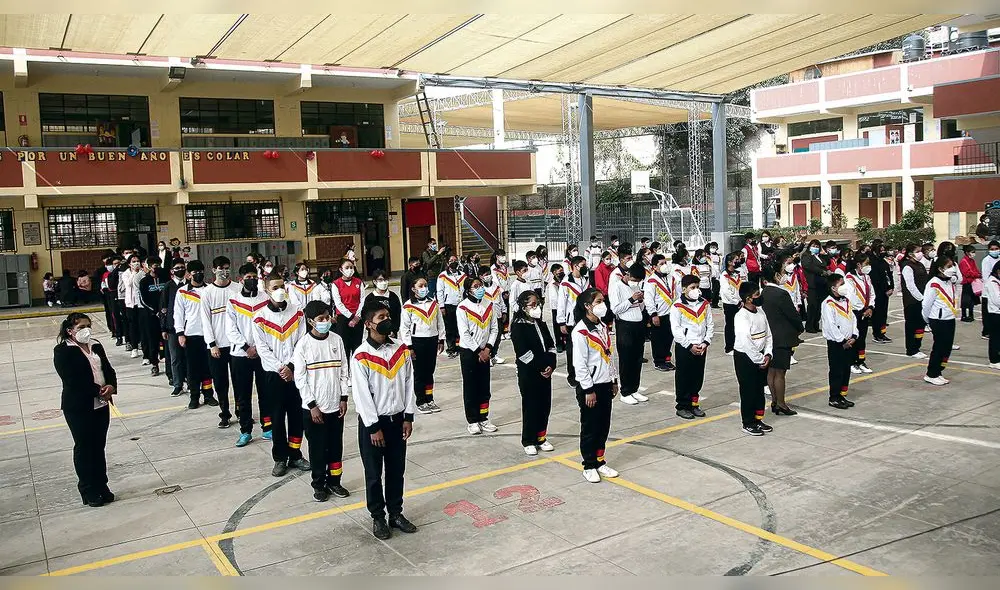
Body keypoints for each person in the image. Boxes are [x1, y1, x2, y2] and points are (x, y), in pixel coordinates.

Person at [351, 299, 418, 540]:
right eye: (380, 318)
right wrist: (373, 427)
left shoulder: (400, 349)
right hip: (374, 426)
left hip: (397, 421)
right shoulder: (361, 356)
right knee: (373, 473)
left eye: (387, 316)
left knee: (396, 470)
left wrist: (408, 416)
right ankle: (378, 517)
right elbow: (361, 396)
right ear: (368, 324)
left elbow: (410, 383)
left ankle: (396, 513)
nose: (386, 321)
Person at [53, 312, 117, 507]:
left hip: (101, 404)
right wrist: (99, 391)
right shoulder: (63, 351)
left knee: (99, 446)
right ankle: (88, 489)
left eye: (88, 326)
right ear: (70, 331)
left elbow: (108, 369)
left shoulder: (95, 345)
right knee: (84, 447)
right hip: (79, 406)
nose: (86, 330)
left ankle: (101, 485)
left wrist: (111, 386)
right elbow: (72, 380)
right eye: (81, 327)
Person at [294, 300, 351, 501]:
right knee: (317, 448)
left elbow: (344, 370)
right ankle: (319, 484)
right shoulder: (303, 345)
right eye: (321, 319)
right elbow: (300, 379)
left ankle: (335, 482)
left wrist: (343, 397)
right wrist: (312, 406)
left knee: (336, 447)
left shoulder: (337, 340)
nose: (326, 321)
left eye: (327, 317)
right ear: (310, 322)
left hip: (336, 406)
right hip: (314, 410)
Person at [254, 272, 310, 477]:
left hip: (295, 373)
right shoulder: (259, 317)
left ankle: (295, 454)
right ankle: (280, 458)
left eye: (282, 286)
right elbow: (262, 349)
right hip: (273, 374)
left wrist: (292, 366)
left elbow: (301, 343)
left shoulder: (298, 313)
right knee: (277, 418)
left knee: (296, 415)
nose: (279, 291)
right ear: (267, 290)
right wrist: (281, 368)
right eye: (275, 287)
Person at [571, 288, 619, 483]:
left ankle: (600, 460)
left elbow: (609, 355)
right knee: (590, 426)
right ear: (587, 306)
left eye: (602, 300)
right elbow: (580, 364)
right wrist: (588, 390)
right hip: (591, 386)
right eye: (598, 301)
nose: (602, 304)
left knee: (603, 425)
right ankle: (589, 464)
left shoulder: (602, 326)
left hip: (605, 383)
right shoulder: (580, 331)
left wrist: (614, 379)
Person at [227, 263, 270, 447]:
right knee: (242, 395)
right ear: (241, 280)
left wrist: (260, 348)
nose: (252, 280)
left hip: (262, 355)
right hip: (240, 355)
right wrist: (246, 347)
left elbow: (269, 326)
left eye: (254, 277)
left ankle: (268, 427)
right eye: (248, 278)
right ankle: (245, 430)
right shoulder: (233, 301)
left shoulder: (266, 299)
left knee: (266, 393)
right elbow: (230, 329)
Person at [510, 290, 557, 456]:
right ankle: (529, 439)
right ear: (524, 306)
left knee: (545, 405)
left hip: (546, 371)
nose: (536, 307)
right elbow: (523, 353)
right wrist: (540, 367)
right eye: (532, 305)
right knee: (531, 406)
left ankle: (541, 437)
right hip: (529, 372)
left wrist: (551, 364)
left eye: (538, 304)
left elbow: (551, 345)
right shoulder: (518, 326)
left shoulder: (540, 323)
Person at [200, 256, 241, 428]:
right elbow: (205, 320)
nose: (224, 271)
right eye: (220, 268)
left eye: (226, 268)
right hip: (218, 346)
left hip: (236, 345)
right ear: (213, 270)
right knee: (221, 382)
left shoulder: (237, 289)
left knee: (239, 381)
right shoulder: (207, 292)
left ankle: (242, 411)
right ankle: (225, 413)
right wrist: (212, 344)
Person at [457, 276, 500, 435]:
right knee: (471, 387)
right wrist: (478, 351)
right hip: (470, 352)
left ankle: (484, 417)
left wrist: (488, 348)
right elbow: (464, 333)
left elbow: (494, 328)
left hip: (485, 352)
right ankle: (473, 420)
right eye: (476, 286)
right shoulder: (462, 307)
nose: (480, 288)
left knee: (484, 387)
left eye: (480, 285)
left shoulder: (489, 304)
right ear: (468, 290)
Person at [760, 258, 801, 416]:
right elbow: (793, 316)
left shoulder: (764, 292)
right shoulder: (781, 294)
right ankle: (781, 403)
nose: (785, 275)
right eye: (783, 272)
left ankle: (774, 401)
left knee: (771, 372)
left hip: (769, 337)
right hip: (782, 337)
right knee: (780, 373)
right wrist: (799, 328)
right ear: (776, 275)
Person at [175, 260, 218, 409]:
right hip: (191, 335)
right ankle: (194, 397)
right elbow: (178, 314)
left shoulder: (210, 290)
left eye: (200, 271)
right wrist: (180, 333)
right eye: (194, 272)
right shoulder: (182, 292)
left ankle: (208, 395)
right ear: (189, 274)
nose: (198, 274)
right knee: (192, 369)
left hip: (209, 336)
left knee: (208, 368)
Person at [669, 274, 713, 419]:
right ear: (684, 289)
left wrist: (706, 342)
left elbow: (710, 325)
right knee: (684, 377)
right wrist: (689, 346)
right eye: (692, 287)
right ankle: (682, 405)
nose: (696, 290)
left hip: (701, 346)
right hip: (685, 347)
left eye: (697, 287)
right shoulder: (677, 306)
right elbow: (676, 330)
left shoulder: (704, 304)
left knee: (697, 376)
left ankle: (694, 404)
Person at [733, 283, 773, 435]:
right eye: (757, 294)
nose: (760, 297)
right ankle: (748, 422)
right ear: (748, 299)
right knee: (748, 390)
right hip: (746, 357)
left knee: (758, 389)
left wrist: (768, 354)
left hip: (761, 355)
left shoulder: (761, 311)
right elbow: (746, 341)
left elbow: (768, 334)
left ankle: (758, 418)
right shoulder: (741, 316)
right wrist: (759, 359)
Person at [400, 277, 445, 414]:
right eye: (421, 286)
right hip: (417, 342)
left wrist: (441, 339)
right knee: (419, 372)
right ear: (414, 289)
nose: (424, 288)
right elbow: (404, 328)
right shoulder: (408, 306)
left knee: (429, 371)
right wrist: (409, 346)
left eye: (425, 285)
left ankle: (429, 398)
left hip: (432, 340)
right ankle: (421, 400)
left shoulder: (433, 304)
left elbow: (440, 322)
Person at [610, 262, 649, 405]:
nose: (636, 283)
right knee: (626, 359)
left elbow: (641, 307)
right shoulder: (617, 286)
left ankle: (634, 389)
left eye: (638, 281)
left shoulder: (636, 286)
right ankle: (625, 391)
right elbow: (615, 309)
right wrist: (631, 299)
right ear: (628, 275)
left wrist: (641, 300)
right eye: (635, 280)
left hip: (638, 324)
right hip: (625, 326)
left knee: (637, 358)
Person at [822, 274, 859, 409]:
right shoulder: (828, 304)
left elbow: (852, 318)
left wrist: (854, 335)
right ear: (833, 288)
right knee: (836, 370)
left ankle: (842, 395)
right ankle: (834, 396)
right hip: (837, 344)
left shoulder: (847, 301)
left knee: (845, 369)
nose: (844, 287)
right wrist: (842, 340)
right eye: (840, 285)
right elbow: (830, 326)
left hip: (849, 342)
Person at [922, 255, 959, 386]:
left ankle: (939, 371)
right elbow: (926, 305)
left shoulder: (949, 281)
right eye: (949, 267)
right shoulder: (933, 283)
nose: (952, 269)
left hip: (949, 318)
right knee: (939, 347)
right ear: (940, 268)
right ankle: (931, 374)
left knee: (947, 347)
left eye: (953, 266)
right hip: (938, 319)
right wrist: (927, 320)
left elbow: (959, 278)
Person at [557, 256, 590, 387]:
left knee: (585, 348)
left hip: (586, 319)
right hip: (571, 321)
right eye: (583, 265)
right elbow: (561, 304)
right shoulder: (566, 283)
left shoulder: (585, 280)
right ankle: (572, 376)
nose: (585, 268)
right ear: (575, 266)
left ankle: (584, 373)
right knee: (572, 350)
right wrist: (561, 322)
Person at [160, 258, 188, 396]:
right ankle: (177, 384)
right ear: (172, 271)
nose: (180, 270)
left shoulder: (189, 285)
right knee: (175, 358)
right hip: (172, 328)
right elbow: (163, 308)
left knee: (188, 357)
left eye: (182, 267)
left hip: (189, 328)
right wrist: (163, 328)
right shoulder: (168, 286)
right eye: (177, 268)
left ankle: (190, 381)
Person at [845, 252, 875, 375]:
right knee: (854, 337)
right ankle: (852, 362)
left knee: (862, 338)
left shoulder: (867, 277)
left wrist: (871, 307)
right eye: (866, 263)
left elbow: (872, 292)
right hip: (855, 312)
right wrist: (863, 309)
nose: (868, 266)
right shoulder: (849, 277)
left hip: (866, 311)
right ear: (858, 264)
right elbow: (852, 296)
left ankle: (861, 361)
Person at [646, 253, 676, 371]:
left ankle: (667, 359)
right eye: (661, 264)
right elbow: (649, 299)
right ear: (654, 266)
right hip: (659, 314)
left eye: (665, 263)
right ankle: (659, 361)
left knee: (669, 337)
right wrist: (653, 314)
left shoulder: (670, 277)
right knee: (659, 339)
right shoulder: (651, 281)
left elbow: (676, 293)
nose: (664, 265)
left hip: (671, 313)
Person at [332, 259, 366, 362]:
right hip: (343, 318)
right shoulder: (336, 284)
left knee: (357, 345)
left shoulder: (359, 282)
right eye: (347, 268)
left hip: (358, 318)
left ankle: (357, 371)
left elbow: (362, 300)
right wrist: (351, 316)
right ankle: (345, 373)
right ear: (341, 270)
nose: (350, 270)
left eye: (351, 267)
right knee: (345, 347)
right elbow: (338, 303)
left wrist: (357, 316)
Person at [137, 256, 167, 377]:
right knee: (153, 340)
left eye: (158, 264)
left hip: (165, 315)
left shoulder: (165, 279)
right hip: (151, 316)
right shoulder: (144, 281)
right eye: (154, 264)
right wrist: (155, 311)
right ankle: (154, 364)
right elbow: (143, 300)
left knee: (166, 340)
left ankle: (169, 364)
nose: (156, 267)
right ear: (149, 267)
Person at [900, 244, 930, 359]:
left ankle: (917, 347)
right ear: (910, 254)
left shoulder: (920, 265)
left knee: (920, 325)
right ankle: (911, 349)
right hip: (912, 301)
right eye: (917, 251)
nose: (920, 253)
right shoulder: (907, 266)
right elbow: (910, 286)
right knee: (911, 325)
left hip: (922, 299)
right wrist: (920, 298)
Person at [437, 254, 465, 358]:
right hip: (449, 305)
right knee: (450, 328)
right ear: (448, 263)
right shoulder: (443, 276)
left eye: (455, 260)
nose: (453, 261)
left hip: (460, 304)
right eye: (451, 260)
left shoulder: (462, 275)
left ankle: (459, 346)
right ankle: (451, 348)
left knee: (460, 327)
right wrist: (442, 306)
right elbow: (439, 291)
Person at [480, 265, 507, 364]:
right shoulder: (480, 288)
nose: (488, 276)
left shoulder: (495, 285)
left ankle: (494, 355)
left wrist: (504, 311)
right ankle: (488, 355)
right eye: (485, 275)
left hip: (498, 315)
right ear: (481, 277)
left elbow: (500, 300)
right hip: (488, 317)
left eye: (489, 274)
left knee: (498, 336)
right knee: (489, 337)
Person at [801, 240, 829, 333]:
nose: (816, 248)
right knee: (812, 305)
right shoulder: (806, 255)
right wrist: (822, 271)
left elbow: (826, 263)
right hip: (812, 283)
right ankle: (809, 325)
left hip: (821, 284)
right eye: (814, 246)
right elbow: (808, 265)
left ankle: (816, 324)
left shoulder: (819, 256)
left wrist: (824, 254)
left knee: (819, 307)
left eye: (817, 246)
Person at [869, 241, 895, 344]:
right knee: (878, 314)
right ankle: (877, 334)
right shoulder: (872, 262)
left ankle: (882, 333)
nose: (884, 252)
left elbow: (889, 275)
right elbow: (876, 279)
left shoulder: (883, 262)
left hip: (886, 292)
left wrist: (891, 287)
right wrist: (885, 289)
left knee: (883, 314)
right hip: (878, 292)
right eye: (882, 250)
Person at [364, 270, 401, 336]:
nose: (383, 282)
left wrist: (394, 330)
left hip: (391, 333)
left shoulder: (393, 296)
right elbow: (366, 316)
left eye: (385, 279)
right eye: (380, 280)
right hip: (375, 333)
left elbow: (397, 315)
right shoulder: (369, 298)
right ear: (374, 281)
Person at [720, 252, 743, 355]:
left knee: (739, 325)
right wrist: (736, 302)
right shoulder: (724, 276)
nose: (738, 261)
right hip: (730, 304)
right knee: (730, 326)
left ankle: (738, 344)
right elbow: (726, 292)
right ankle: (729, 347)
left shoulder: (737, 273)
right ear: (730, 262)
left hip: (740, 303)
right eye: (736, 260)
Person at [122, 255, 144, 358]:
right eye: (134, 261)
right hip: (131, 304)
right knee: (132, 325)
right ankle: (134, 347)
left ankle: (142, 344)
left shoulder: (143, 272)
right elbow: (129, 284)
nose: (136, 263)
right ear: (129, 264)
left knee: (142, 324)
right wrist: (134, 272)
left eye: (138, 261)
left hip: (141, 303)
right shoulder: (126, 274)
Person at [959, 245, 981, 323]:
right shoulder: (963, 261)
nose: (973, 254)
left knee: (972, 300)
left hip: (972, 282)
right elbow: (967, 273)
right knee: (965, 300)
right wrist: (977, 275)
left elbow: (975, 269)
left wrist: (977, 274)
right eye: (972, 252)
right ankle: (964, 315)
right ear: (967, 253)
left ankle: (971, 315)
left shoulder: (972, 261)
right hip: (967, 282)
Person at [984, 261, 1000, 369]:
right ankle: (994, 360)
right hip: (995, 313)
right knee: (995, 337)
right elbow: (997, 300)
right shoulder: (992, 281)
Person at [547, 263, 566, 353]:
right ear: (554, 272)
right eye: (560, 271)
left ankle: (564, 342)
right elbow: (554, 298)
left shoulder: (564, 281)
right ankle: (558, 344)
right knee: (557, 326)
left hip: (564, 306)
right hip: (556, 308)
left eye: (562, 271)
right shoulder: (552, 284)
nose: (562, 273)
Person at [984, 241, 1000, 340]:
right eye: (992, 249)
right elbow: (986, 277)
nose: (994, 251)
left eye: (996, 249)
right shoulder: (986, 260)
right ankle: (986, 331)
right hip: (989, 292)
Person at [707, 242, 722, 308]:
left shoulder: (718, 256)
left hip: (717, 275)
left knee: (717, 289)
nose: (712, 249)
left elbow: (719, 265)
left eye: (714, 247)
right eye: (711, 247)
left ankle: (715, 303)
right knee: (712, 290)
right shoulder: (708, 256)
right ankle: (711, 302)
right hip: (711, 275)